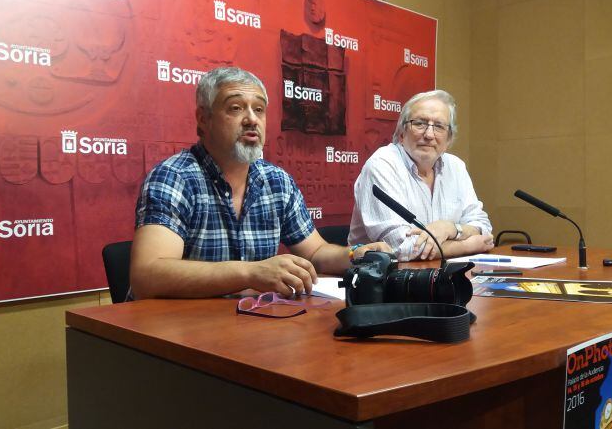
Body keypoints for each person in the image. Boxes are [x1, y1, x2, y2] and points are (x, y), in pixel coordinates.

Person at [130, 66, 389, 299]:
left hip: (249, 323)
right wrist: (251, 273)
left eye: (259, 109)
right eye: (235, 108)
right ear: (203, 119)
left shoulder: (276, 181)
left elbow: (315, 252)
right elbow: (148, 276)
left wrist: (356, 254)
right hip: (175, 328)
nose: (252, 119)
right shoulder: (174, 177)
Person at [348, 89, 494, 261]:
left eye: (439, 126)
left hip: (439, 272)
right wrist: (467, 246)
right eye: (419, 124)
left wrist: (451, 229)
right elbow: (399, 248)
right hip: (382, 275)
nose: (429, 135)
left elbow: (483, 227)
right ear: (402, 133)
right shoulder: (382, 164)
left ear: (448, 140)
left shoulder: (456, 167)